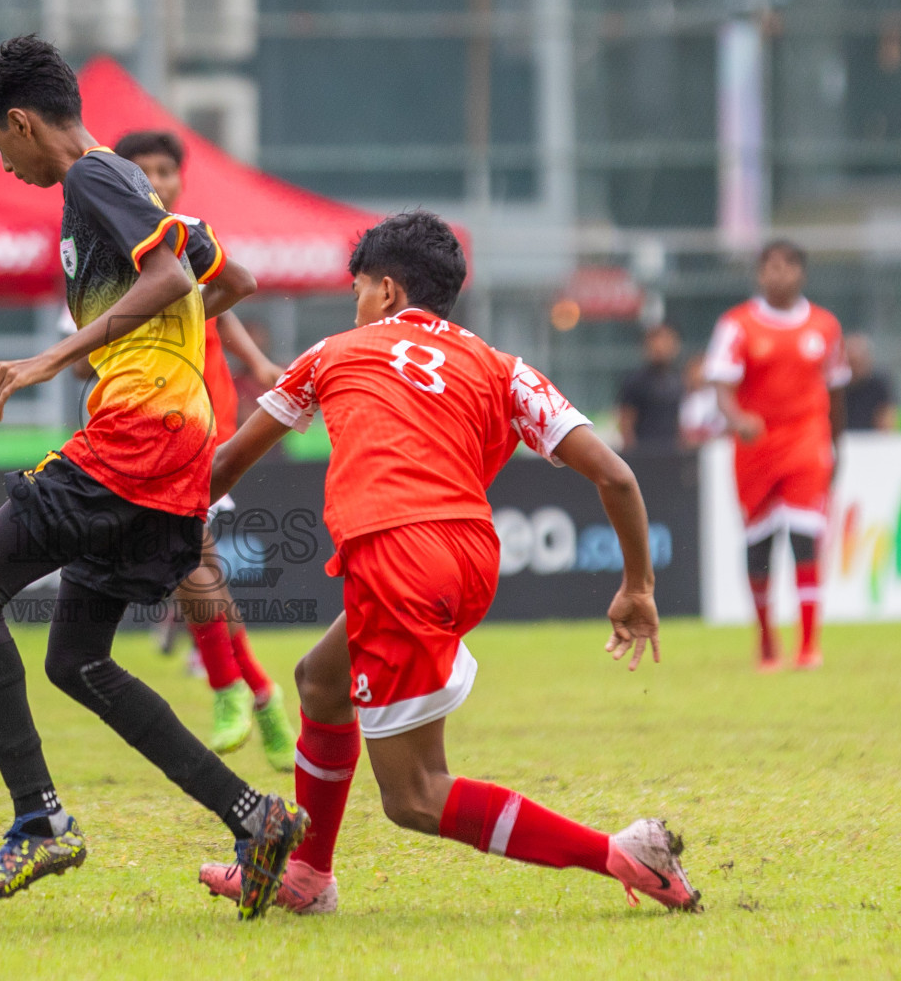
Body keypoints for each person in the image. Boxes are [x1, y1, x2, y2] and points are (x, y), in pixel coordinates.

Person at [199, 210, 698, 915]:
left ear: (390, 293)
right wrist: (638, 586)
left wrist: (144, 514)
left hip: (398, 554)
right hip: (469, 555)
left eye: (360, 290)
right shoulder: (503, 368)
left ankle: (621, 853)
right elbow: (615, 475)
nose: (356, 304)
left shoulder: (334, 352)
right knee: (319, 681)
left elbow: (226, 465)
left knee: (414, 796)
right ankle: (308, 876)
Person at [0, 35, 304, 918]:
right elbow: (232, 277)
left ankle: (37, 822)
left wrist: (59, 353)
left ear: (23, 123)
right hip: (174, 454)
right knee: (77, 660)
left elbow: (175, 272)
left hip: (134, 441)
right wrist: (149, 336)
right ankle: (252, 817)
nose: (6, 165)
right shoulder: (130, 187)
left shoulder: (93, 179)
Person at [111, 128, 297, 771]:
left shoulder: (187, 238)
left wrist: (257, 364)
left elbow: (224, 305)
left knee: (191, 558)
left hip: (197, 425)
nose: (157, 182)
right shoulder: (107, 250)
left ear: (180, 180)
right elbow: (85, 355)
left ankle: (228, 691)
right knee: (185, 570)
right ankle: (262, 693)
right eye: (144, 171)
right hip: (133, 428)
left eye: (166, 170)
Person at [705, 240, 848, 672]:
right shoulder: (737, 325)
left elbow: (836, 391)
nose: (778, 274)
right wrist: (738, 419)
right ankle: (767, 638)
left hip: (808, 440)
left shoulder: (825, 326)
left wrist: (836, 447)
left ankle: (809, 645)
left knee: (805, 537)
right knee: (759, 544)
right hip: (756, 446)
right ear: (759, 274)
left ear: (801, 273)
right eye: (770, 266)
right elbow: (722, 391)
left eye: (787, 266)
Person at [616, 323, 683, 452]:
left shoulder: (678, 380)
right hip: (645, 454)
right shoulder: (635, 381)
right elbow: (626, 421)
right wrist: (633, 455)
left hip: (672, 453)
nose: (661, 348)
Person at [842, 334, 897, 432]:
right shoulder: (837, 387)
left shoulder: (879, 385)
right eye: (852, 362)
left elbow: (887, 421)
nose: (855, 369)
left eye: (859, 362)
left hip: (871, 441)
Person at [678, 351, 726, 449]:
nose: (698, 374)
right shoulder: (686, 399)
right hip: (692, 451)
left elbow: (726, 426)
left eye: (701, 369)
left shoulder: (719, 396)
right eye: (693, 371)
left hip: (718, 448)